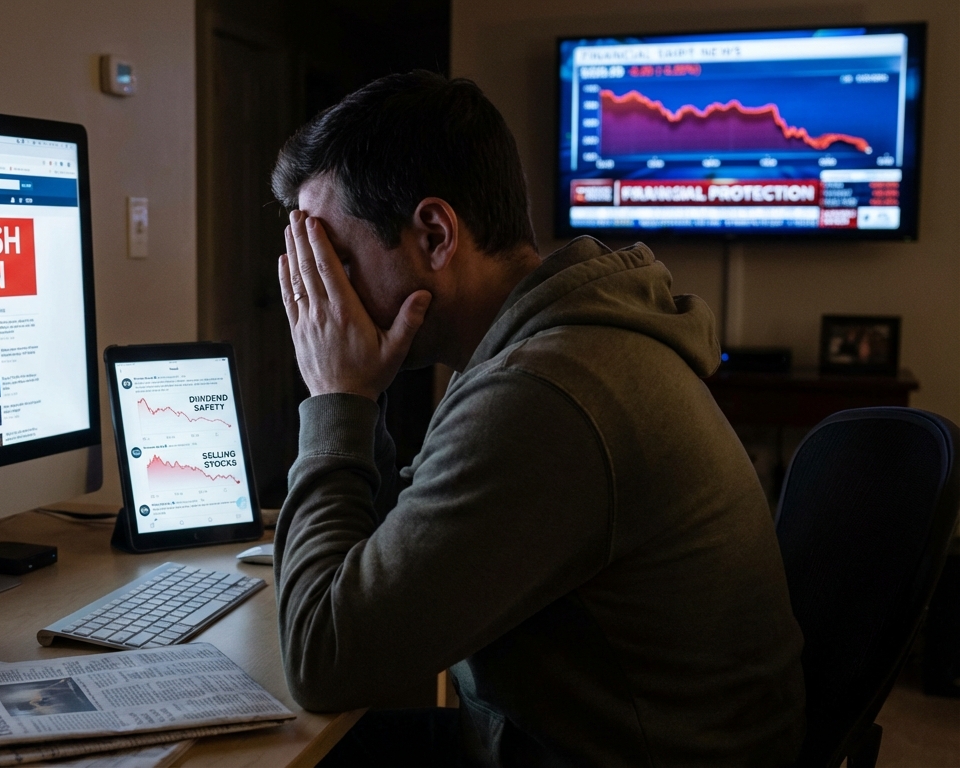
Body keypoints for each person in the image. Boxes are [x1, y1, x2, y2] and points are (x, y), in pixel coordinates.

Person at [270, 71, 805, 767]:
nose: (322, 299)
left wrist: (336, 398)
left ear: (435, 234)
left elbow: (324, 660)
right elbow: (399, 552)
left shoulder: (544, 394)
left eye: (337, 262)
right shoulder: (552, 349)